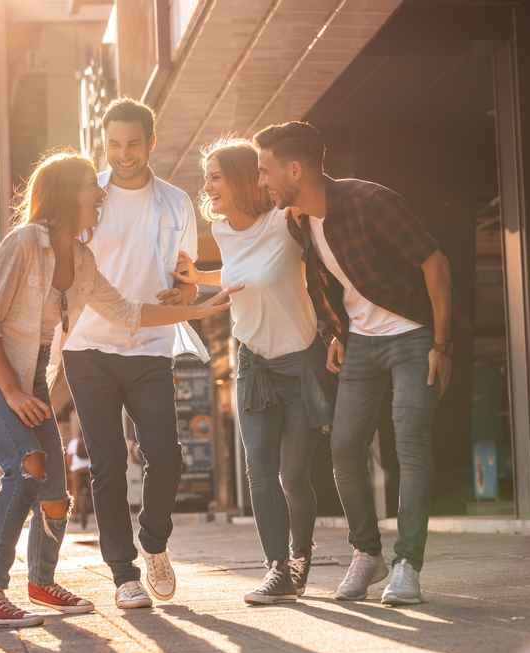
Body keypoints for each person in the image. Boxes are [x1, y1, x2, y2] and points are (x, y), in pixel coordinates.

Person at [0, 149, 239, 628]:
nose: (100, 195)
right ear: (66, 195)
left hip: (29, 378)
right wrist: (15, 395)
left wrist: (202, 311)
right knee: (26, 468)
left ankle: (41, 583)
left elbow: (129, 313)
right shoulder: (23, 244)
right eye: (91, 187)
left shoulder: (80, 259)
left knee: (56, 493)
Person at [254, 121, 453, 606]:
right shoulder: (301, 220)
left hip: (411, 336)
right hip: (362, 342)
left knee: (408, 446)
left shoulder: (369, 202)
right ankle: (368, 553)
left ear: (294, 169)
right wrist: (335, 334)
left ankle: (408, 565)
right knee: (344, 449)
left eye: (265, 171)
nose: (262, 182)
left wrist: (441, 346)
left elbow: (435, 263)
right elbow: (323, 283)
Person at [61, 98, 208, 610]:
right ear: (105, 145)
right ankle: (123, 572)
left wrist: (185, 296)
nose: (124, 155)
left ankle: (154, 543)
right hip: (88, 346)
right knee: (105, 463)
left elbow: (186, 277)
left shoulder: (176, 203)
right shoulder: (89, 198)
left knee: (165, 454)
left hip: (150, 344)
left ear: (151, 142)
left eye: (134, 144)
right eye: (115, 145)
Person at [174, 138, 334, 605]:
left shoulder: (286, 223)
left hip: (299, 363)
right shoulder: (223, 232)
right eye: (207, 177)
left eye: (215, 175)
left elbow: (320, 267)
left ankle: (300, 559)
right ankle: (276, 569)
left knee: (293, 475)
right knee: (259, 470)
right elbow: (236, 274)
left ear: (246, 178)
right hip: (253, 365)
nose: (207, 185)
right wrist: (196, 278)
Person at [65, 433, 92, 529]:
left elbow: (69, 458)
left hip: (77, 470)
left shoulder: (74, 442)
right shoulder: (92, 440)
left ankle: (75, 514)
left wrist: (70, 469)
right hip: (90, 469)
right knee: (96, 490)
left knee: (75, 491)